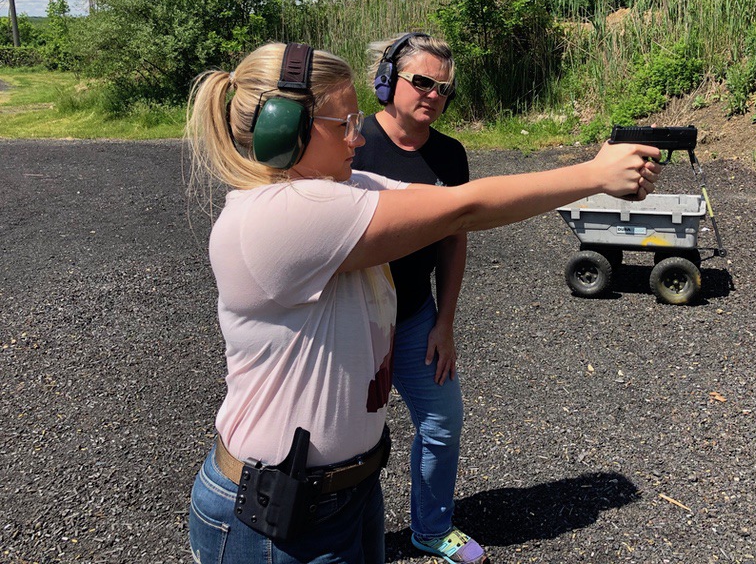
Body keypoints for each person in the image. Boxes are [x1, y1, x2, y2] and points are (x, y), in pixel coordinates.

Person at [184, 41, 661, 564]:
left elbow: (464, 207)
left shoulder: (341, 184)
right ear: (285, 128)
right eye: (342, 123)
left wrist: (595, 173)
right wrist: (593, 176)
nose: (357, 134)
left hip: (344, 492)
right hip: (277, 518)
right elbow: (461, 209)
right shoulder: (278, 214)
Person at [351, 32, 477, 563]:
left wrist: (444, 322)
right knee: (346, 438)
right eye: (421, 81)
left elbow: (454, 242)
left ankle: (430, 529)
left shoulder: (450, 155)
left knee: (443, 422)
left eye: (443, 88)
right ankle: (342, 537)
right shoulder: (351, 140)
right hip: (352, 319)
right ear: (387, 81)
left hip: (415, 317)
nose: (432, 94)